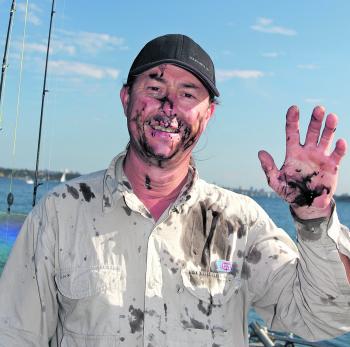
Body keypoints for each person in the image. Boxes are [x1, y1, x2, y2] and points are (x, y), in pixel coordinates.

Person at [0, 33, 349, 347]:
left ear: (208, 113)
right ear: (126, 99)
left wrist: (313, 216)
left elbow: (322, 317)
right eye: (154, 88)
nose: (169, 106)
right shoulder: (60, 212)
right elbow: (13, 333)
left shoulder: (243, 223)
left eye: (187, 94)